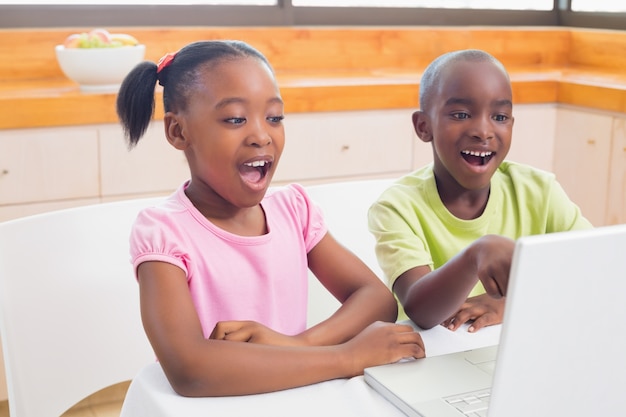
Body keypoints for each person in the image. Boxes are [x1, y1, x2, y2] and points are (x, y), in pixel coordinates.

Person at [115, 40, 424, 398]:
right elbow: (190, 371)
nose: (262, 135)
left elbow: (377, 299)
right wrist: (345, 357)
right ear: (178, 132)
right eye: (235, 119)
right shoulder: (163, 232)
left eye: (274, 117)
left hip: (296, 398)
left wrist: (296, 345)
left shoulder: (293, 210)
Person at [368, 49, 592, 333]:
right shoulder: (397, 207)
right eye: (461, 114)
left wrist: (511, 303)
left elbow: (593, 268)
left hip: (520, 341)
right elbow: (420, 309)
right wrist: (477, 254)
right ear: (424, 127)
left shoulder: (539, 191)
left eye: (500, 117)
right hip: (434, 355)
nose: (483, 131)